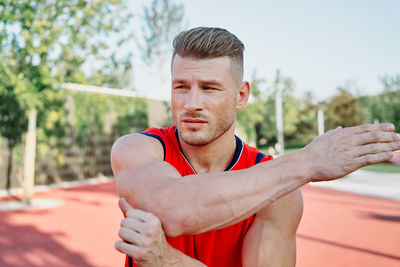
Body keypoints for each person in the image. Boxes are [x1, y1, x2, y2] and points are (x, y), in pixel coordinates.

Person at [111, 27, 400, 267]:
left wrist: (169, 260)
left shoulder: (281, 194)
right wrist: (308, 162)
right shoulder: (137, 149)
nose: (191, 103)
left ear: (241, 95)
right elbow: (173, 209)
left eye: (209, 88)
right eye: (181, 86)